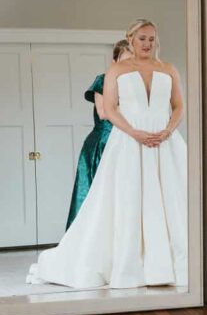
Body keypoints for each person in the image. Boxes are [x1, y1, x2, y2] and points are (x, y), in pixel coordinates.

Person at [27, 19, 187, 289]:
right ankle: (130, 265)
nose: (147, 44)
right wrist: (134, 132)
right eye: (141, 39)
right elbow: (110, 109)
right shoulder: (117, 70)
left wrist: (169, 130)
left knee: (170, 197)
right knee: (128, 199)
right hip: (128, 140)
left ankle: (172, 265)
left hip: (164, 141)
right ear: (131, 40)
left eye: (151, 39)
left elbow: (179, 106)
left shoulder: (168, 69)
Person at [65, 38, 131, 229]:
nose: (127, 66)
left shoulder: (133, 85)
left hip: (124, 142)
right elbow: (103, 113)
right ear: (115, 61)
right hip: (101, 144)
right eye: (124, 60)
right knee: (95, 193)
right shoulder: (103, 80)